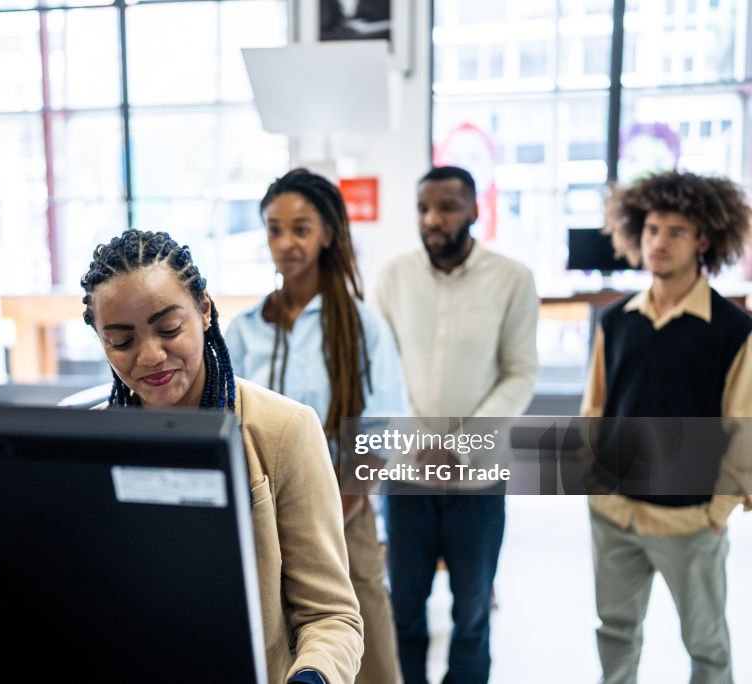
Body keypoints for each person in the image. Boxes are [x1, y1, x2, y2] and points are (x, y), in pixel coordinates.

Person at [80, 228, 363, 684]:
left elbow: (330, 617)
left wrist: (311, 677)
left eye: (169, 329)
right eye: (122, 341)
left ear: (205, 311)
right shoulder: (89, 445)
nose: (150, 356)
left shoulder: (282, 430)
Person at [226, 168, 408, 683]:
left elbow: (379, 439)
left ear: (327, 233)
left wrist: (325, 514)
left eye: (300, 228)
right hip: (257, 521)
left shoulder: (363, 327)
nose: (285, 243)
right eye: (274, 229)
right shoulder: (244, 330)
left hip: (344, 521)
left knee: (367, 662)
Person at [582, 170, 752, 684]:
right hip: (615, 514)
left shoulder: (732, 329)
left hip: (689, 521)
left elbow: (742, 424)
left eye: (676, 231)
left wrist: (718, 509)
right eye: (653, 229)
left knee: (706, 643)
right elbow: (595, 410)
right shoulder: (616, 320)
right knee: (615, 630)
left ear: (703, 240)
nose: (660, 241)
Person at [370, 165, 538, 683]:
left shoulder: (512, 279)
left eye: (446, 207)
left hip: (478, 480)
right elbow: (379, 369)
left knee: (471, 613)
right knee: (404, 610)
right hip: (407, 478)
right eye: (423, 208)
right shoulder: (394, 276)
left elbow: (520, 373)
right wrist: (419, 443)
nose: (432, 219)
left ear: (474, 211)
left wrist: (460, 445)